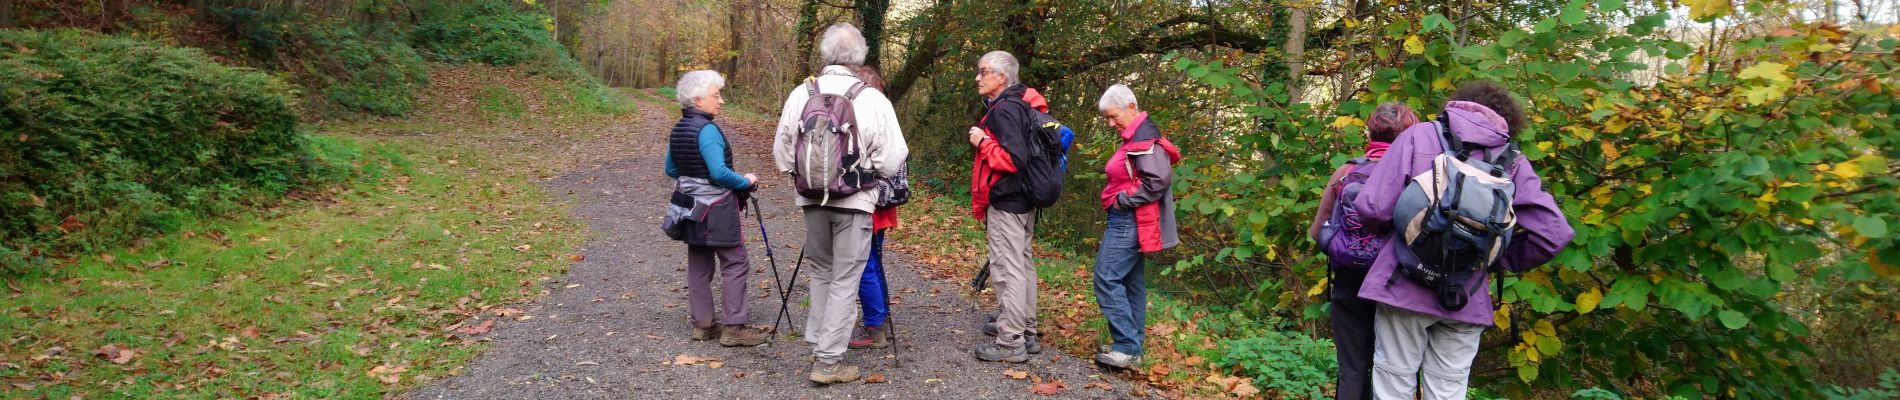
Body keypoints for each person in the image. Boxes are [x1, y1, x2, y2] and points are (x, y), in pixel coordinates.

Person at [1350, 82, 1575, 399]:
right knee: (1448, 389)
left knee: (1393, 383)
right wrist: (1492, 259)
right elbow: (1554, 233)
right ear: (1506, 119)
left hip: (1404, 285)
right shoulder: (1511, 160)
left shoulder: (1420, 135)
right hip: (1466, 295)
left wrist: (1407, 234)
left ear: (1457, 105)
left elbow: (1371, 206)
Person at [771, 23, 909, 384]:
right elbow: (893, 157)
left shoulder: (801, 93)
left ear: (825, 53)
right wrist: (868, 175)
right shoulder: (871, 97)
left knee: (821, 271)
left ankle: (820, 341)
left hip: (811, 197)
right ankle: (828, 361)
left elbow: (782, 151)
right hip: (855, 200)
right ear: (859, 56)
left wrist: (801, 176)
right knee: (847, 277)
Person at [1307, 102, 1418, 400]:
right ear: (1410, 135)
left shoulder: (1346, 172)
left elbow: (1318, 232)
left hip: (1348, 281)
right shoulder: (1418, 178)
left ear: (1370, 132)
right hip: (1397, 286)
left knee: (1352, 370)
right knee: (1391, 372)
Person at [660, 70, 767, 347]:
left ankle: (703, 325)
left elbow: (671, 168)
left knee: (699, 263)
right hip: (716, 208)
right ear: (697, 99)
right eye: (716, 96)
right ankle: (734, 328)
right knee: (735, 261)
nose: (721, 101)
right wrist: (746, 181)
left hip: (688, 206)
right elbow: (719, 173)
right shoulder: (707, 130)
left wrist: (695, 182)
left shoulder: (680, 127)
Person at [1089, 84, 1181, 369]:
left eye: (1113, 116)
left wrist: (1124, 200)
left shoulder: (1145, 139)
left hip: (1130, 219)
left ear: (1132, 107)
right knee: (1131, 282)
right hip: (1130, 218)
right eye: (1107, 118)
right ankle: (1132, 347)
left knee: (1106, 277)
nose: (1110, 123)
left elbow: (1158, 180)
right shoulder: (1135, 137)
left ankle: (1127, 346)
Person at [966, 50, 1043, 363]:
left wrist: (983, 142)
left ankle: (1011, 342)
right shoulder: (1023, 105)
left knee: (1007, 269)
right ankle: (1026, 331)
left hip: (1008, 200)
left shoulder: (1005, 110)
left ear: (1001, 77)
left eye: (983, 72)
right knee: (1022, 264)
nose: (978, 77)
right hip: (1025, 199)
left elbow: (1013, 159)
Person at [845, 65, 904, 350]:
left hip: (868, 201)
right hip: (883, 202)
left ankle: (875, 327)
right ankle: (881, 319)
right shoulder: (887, 118)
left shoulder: (862, 119)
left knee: (865, 264)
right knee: (874, 261)